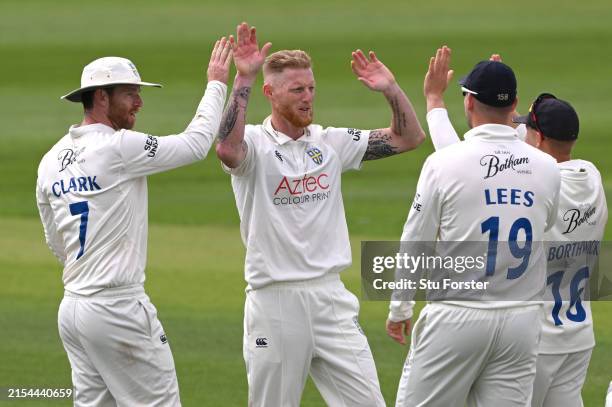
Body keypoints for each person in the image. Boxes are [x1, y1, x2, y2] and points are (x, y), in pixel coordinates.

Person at [215, 22, 426, 406]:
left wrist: (390, 90)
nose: (308, 97)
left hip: (331, 299)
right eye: (297, 89)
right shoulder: (256, 146)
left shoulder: (330, 143)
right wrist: (243, 77)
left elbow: (409, 137)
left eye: (311, 88)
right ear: (270, 93)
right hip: (275, 301)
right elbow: (227, 150)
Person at [36, 39, 231, 406]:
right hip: (118, 307)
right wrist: (217, 82)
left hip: (74, 309)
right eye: (130, 94)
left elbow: (56, 242)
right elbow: (195, 144)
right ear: (101, 98)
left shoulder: (49, 161)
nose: (139, 103)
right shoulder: (118, 147)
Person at [421, 46, 608, 407]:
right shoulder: (591, 179)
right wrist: (501, 105)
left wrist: (435, 101)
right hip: (578, 337)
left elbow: (461, 156)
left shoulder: (545, 179)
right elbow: (523, 145)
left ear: (536, 137)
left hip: (536, 339)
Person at [386, 51, 562, 406]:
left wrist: (400, 309)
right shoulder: (548, 167)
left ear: (468, 102)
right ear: (514, 104)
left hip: (456, 317)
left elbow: (416, 240)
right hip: (521, 323)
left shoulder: (443, 164)